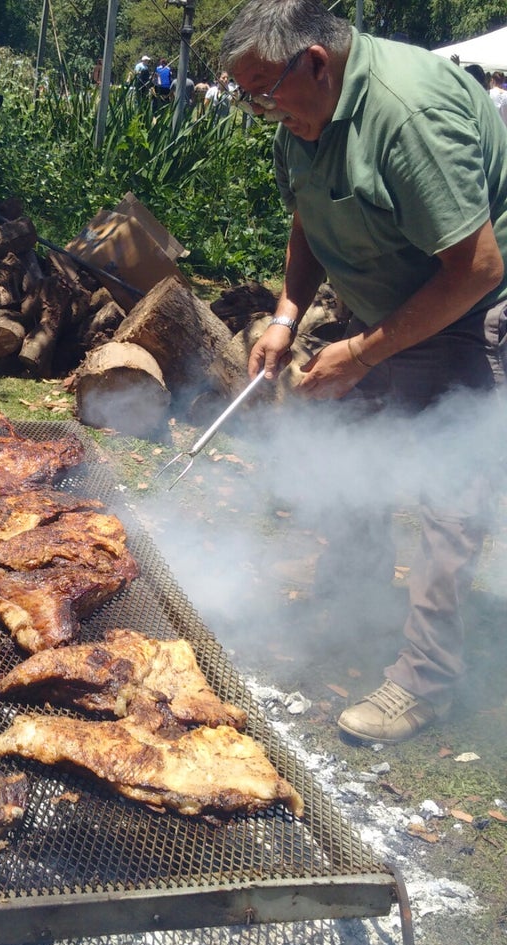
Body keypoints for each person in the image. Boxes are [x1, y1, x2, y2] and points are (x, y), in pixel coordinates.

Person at [219, 0, 507, 744]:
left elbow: (475, 268)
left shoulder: (409, 115)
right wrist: (286, 315)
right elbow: (309, 216)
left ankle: (427, 682)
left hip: (471, 313)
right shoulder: (305, 114)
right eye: (247, 97)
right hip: (384, 306)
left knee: (451, 502)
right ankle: (352, 603)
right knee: (341, 439)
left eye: (263, 93)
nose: (259, 111)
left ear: (314, 61)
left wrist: (363, 351)